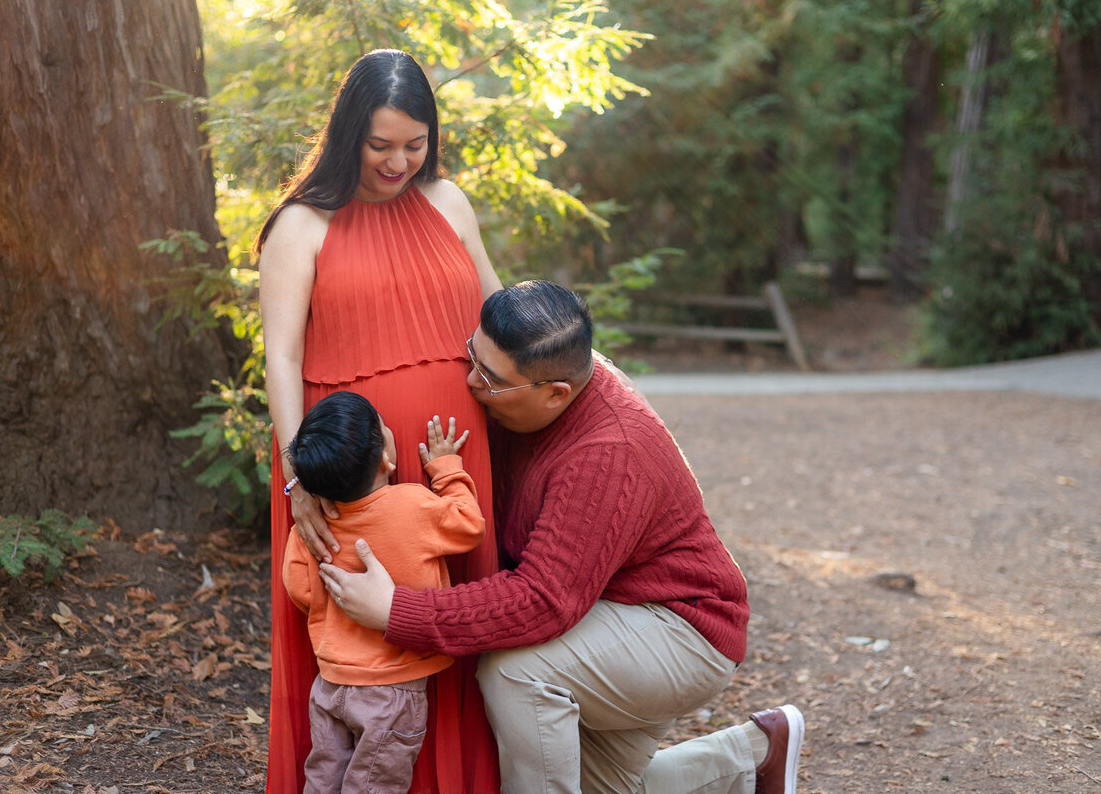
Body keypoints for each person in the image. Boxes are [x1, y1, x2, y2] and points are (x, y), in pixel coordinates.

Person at [322, 280, 807, 794]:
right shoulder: (543, 364)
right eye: (473, 356)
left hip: (680, 628)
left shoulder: (608, 451)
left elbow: (542, 600)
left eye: (490, 378)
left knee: (516, 672)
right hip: (607, 607)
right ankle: (756, 756)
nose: (471, 381)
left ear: (556, 393)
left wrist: (397, 612)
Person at [257, 48, 502, 794]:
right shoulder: (301, 225)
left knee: (453, 620)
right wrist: (302, 479)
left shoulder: (450, 203)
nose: (399, 162)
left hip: (452, 465)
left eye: (415, 144)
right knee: (359, 636)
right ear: (347, 135)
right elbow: (281, 358)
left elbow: (500, 317)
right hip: (341, 468)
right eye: (380, 145)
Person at [282, 392, 485, 794]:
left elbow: (300, 589)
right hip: (391, 694)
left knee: (322, 779)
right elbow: (469, 524)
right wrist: (445, 468)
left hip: (331, 684)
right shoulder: (414, 506)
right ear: (386, 459)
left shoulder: (310, 530)